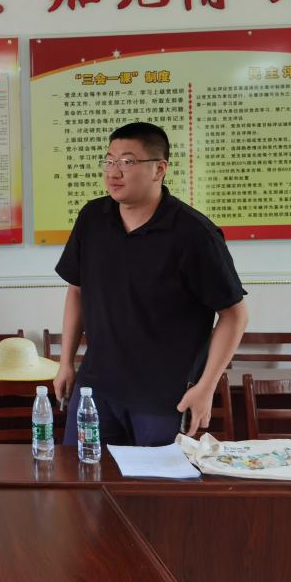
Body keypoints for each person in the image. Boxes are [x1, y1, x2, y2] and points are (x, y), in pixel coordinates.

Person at [53, 122, 249, 447]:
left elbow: (234, 315)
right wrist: (66, 363)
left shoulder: (193, 234)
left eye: (127, 162)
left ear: (159, 169)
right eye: (109, 160)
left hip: (164, 397)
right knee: (83, 475)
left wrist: (206, 386)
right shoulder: (93, 218)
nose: (113, 172)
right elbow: (77, 290)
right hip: (97, 389)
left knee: (157, 480)